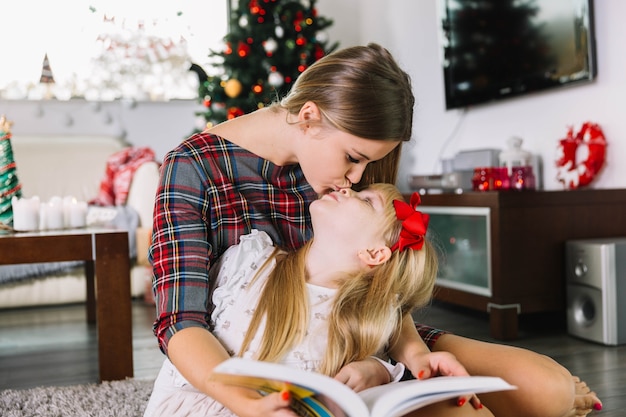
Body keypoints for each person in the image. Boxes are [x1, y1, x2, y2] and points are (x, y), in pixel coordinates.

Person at [147, 43, 601, 417]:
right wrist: (243, 401)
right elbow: (180, 323)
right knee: (471, 413)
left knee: (549, 390)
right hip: (255, 358)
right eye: (353, 158)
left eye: (367, 163)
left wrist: (412, 358)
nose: (357, 178)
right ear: (309, 118)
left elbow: (382, 280)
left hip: (359, 330)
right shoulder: (193, 168)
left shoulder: (347, 167)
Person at [145, 184, 496, 416]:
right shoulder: (249, 260)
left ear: (373, 253)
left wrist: (375, 371)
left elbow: (373, 372)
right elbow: (184, 347)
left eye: (365, 199)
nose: (346, 187)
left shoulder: (361, 318)